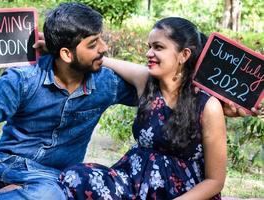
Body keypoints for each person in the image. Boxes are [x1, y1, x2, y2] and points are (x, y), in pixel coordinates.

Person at [0, 3, 137, 200]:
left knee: (51, 195)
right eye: (93, 44)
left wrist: (103, 60)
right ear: (66, 54)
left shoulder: (107, 83)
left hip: (48, 182)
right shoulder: (21, 79)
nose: (104, 48)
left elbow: (156, 82)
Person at [58, 17, 227, 199]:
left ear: (184, 55)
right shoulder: (146, 81)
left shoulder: (208, 106)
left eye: (158, 47)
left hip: (181, 193)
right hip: (133, 182)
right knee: (76, 177)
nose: (149, 53)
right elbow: (105, 61)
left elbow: (215, 181)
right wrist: (58, 46)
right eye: (149, 47)